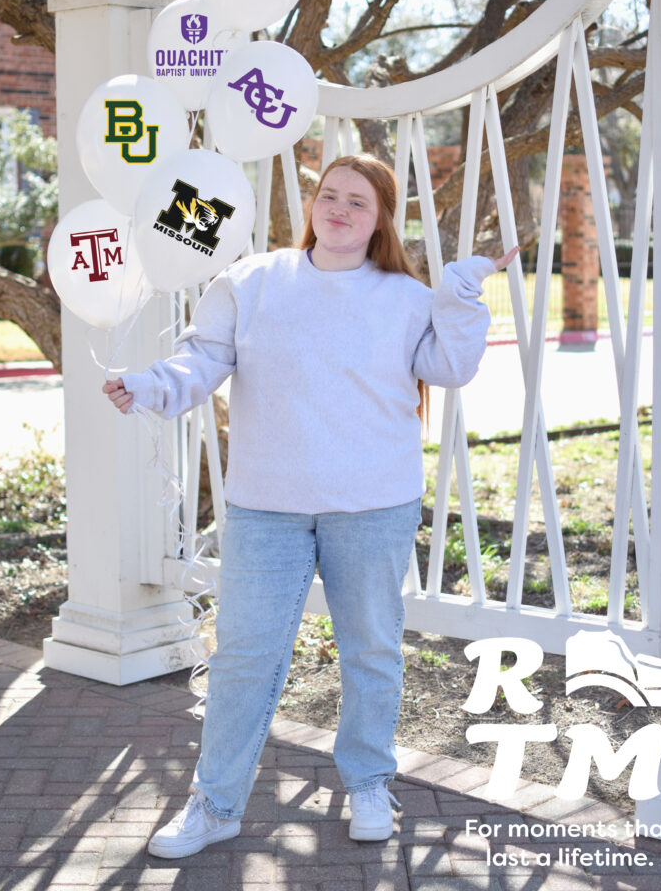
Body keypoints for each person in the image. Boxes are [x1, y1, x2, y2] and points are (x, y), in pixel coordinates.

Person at [103, 153, 518, 858]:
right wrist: (149, 385)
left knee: (371, 651)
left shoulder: (405, 297)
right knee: (242, 656)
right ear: (312, 204)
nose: (340, 209)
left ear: (382, 217)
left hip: (372, 504)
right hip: (269, 506)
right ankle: (217, 801)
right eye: (329, 195)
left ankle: (365, 782)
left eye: (358, 201)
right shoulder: (253, 281)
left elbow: (450, 368)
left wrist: (461, 291)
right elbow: (202, 359)